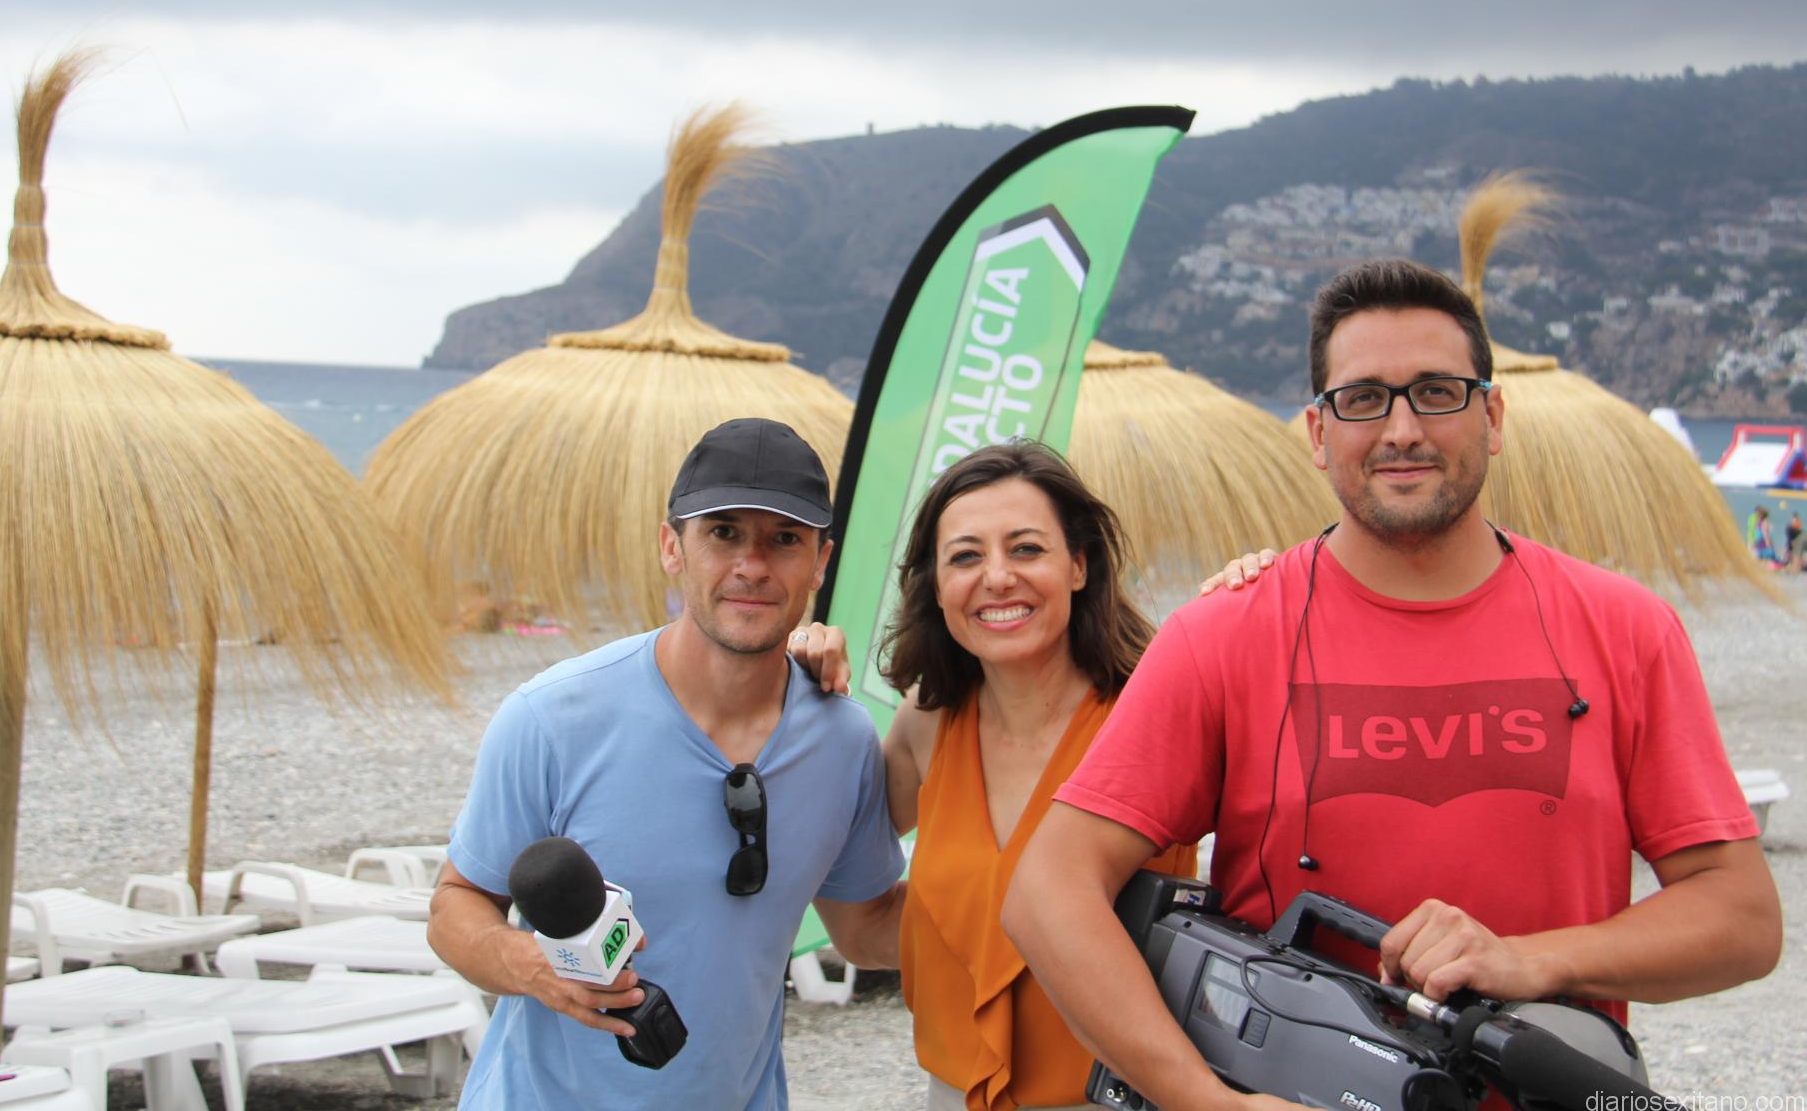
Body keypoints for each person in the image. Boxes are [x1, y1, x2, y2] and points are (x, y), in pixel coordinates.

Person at [1001, 256, 1781, 1111]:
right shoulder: (1224, 636)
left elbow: (1741, 918)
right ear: (1316, 432)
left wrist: (1532, 959)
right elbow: (1048, 893)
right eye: (1363, 399)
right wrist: (1204, 1101)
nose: (1402, 429)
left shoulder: (1623, 629)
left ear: (1492, 417)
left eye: (1437, 393)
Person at [428, 417, 906, 1111]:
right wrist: (531, 966)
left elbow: (864, 931)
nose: (752, 565)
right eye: (724, 533)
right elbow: (455, 906)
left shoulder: (843, 739)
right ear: (670, 547)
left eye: (784, 539)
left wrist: (1031, 908)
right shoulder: (552, 718)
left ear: (820, 562)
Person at [879, 443, 1199, 1111]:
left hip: (1126, 1098)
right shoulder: (925, 724)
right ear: (936, 586)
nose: (997, 577)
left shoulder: (1157, 715)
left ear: (1079, 565)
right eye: (965, 557)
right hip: (951, 1096)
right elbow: (837, 877)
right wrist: (800, 692)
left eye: (1026, 549)